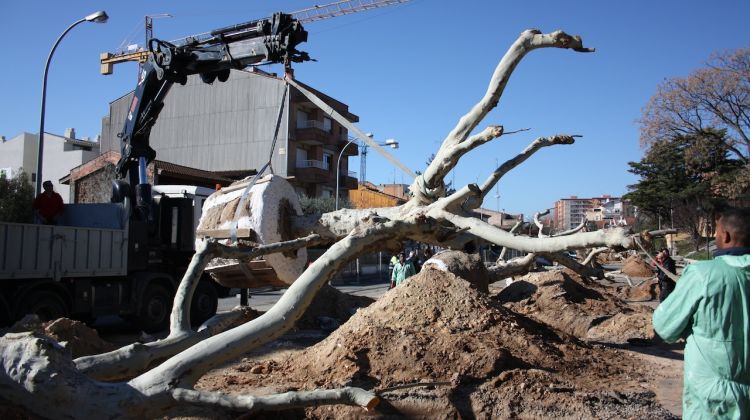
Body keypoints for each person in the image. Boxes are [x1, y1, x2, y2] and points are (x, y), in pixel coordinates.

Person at [653, 207, 750, 418]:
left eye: (715, 232)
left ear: (725, 235)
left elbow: (664, 326)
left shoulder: (703, 275)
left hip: (713, 399)